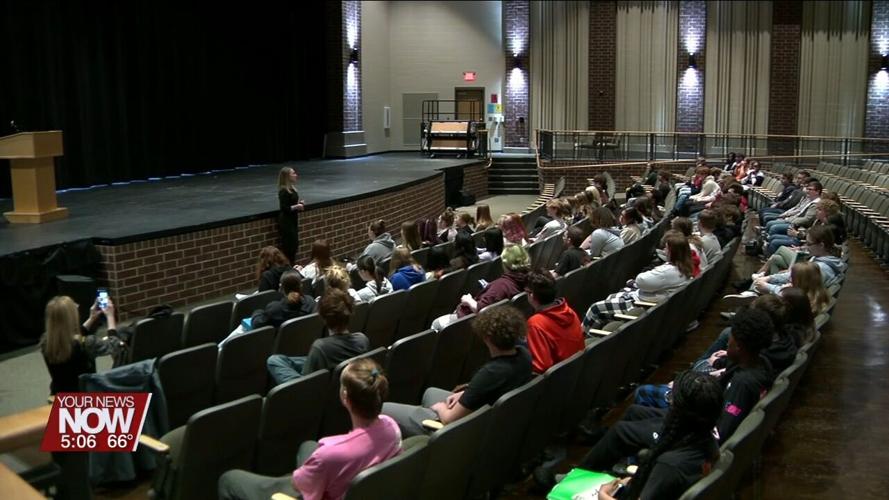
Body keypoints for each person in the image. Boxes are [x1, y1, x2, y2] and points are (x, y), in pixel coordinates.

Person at [218, 359, 401, 500]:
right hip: (344, 481)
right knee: (308, 446)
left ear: (345, 397)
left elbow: (298, 484)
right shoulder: (392, 426)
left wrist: (305, 475)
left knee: (230, 479)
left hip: (315, 487)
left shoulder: (330, 453)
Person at [382, 305, 532, 437]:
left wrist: (440, 409)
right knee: (431, 392)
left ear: (487, 338)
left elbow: (449, 419)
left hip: (463, 429)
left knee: (385, 408)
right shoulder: (523, 355)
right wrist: (465, 393)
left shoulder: (490, 373)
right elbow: (487, 389)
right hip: (488, 416)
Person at [585, 371, 723, 500]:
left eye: (671, 400)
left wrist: (603, 496)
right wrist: (630, 481)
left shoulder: (668, 466)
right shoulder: (709, 442)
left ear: (678, 413)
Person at [583, 233, 695, 331]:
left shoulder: (668, 272)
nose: (664, 251)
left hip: (642, 305)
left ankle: (583, 338)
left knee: (595, 308)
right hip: (649, 299)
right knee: (611, 297)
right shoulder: (685, 266)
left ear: (672, 252)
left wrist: (637, 280)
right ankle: (602, 330)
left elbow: (641, 280)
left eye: (666, 248)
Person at [266, 289, 370, 385]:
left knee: (273, 360)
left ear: (323, 318)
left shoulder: (320, 347)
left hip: (312, 389)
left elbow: (307, 382)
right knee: (280, 359)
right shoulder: (362, 339)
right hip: (340, 378)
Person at [431, 245, 531, 331]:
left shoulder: (501, 285)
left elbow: (481, 309)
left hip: (473, 323)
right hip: (505, 321)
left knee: (436, 323)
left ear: (505, 264)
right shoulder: (529, 279)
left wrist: (468, 300)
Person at [41, 295, 126, 394]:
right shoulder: (88, 343)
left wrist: (91, 318)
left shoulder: (47, 342)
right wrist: (110, 316)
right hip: (85, 396)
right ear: (71, 318)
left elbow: (69, 336)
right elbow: (115, 346)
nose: (77, 306)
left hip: (60, 395)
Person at [525, 271, 584, 373]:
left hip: (560, 377)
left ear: (531, 295)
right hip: (579, 369)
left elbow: (541, 367)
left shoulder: (535, 324)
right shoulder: (569, 311)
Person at [277, 167, 305, 263]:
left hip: (292, 219)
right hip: (286, 222)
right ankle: (289, 266)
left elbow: (291, 204)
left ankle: (292, 264)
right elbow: (284, 208)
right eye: (293, 173)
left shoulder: (292, 189)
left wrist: (299, 204)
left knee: (294, 245)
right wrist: (297, 206)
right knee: (290, 246)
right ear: (287, 177)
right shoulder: (283, 191)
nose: (296, 175)